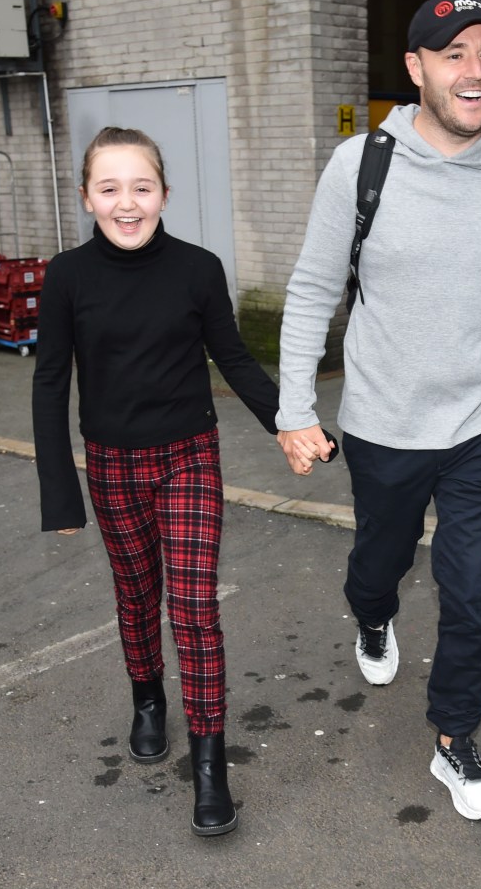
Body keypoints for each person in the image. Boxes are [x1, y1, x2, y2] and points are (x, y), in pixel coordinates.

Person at [276, 0, 481, 821]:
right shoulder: (360, 164)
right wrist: (296, 407)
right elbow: (310, 290)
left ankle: (454, 738)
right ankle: (371, 615)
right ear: (416, 70)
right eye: (454, 54)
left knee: (472, 589)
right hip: (383, 422)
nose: (475, 71)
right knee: (380, 564)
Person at [32, 127, 310, 837]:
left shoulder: (197, 269)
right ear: (88, 196)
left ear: (163, 193)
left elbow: (234, 360)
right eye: (109, 188)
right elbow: (48, 383)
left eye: (141, 187)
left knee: (191, 607)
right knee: (136, 595)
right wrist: (60, 492)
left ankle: (210, 766)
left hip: (189, 457)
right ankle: (148, 699)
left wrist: (291, 422)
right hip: (112, 463)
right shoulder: (66, 277)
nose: (127, 204)